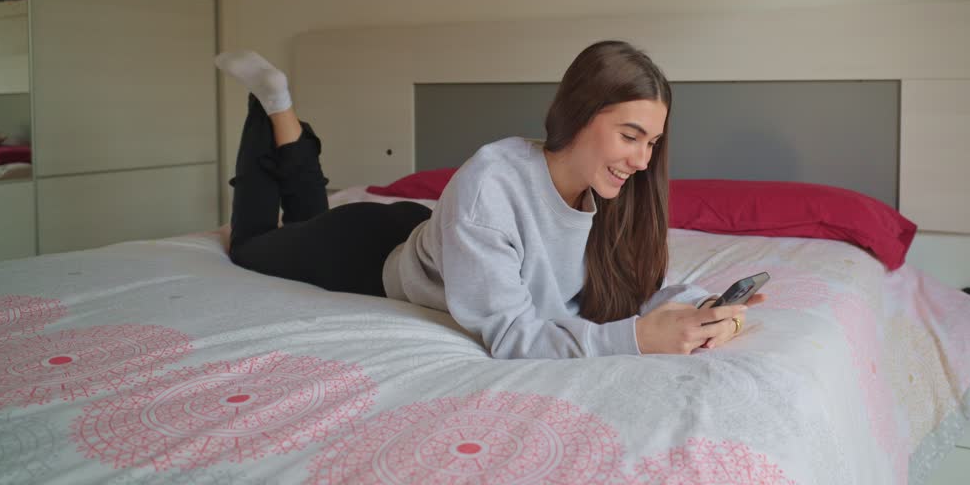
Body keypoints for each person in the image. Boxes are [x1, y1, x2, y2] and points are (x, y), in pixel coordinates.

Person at [216, 41, 763, 359]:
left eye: (652, 143)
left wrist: (705, 307)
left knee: (306, 215)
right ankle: (273, 103)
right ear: (578, 114)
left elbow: (636, 290)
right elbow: (512, 335)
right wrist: (637, 339)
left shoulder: (613, 191)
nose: (642, 161)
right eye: (629, 136)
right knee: (253, 245)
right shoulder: (492, 183)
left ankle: (284, 118)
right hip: (365, 253)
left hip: (448, 239)